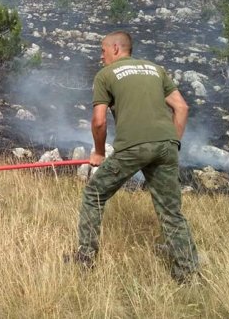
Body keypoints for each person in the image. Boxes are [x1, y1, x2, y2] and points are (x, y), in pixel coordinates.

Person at [71, 31, 199, 283]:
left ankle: (85, 259)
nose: (101, 56)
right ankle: (188, 274)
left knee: (93, 195)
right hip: (167, 145)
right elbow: (182, 108)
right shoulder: (155, 69)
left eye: (103, 50)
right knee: (170, 211)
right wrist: (172, 141)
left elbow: (98, 122)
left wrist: (98, 152)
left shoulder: (105, 75)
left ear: (116, 48)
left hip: (133, 147)